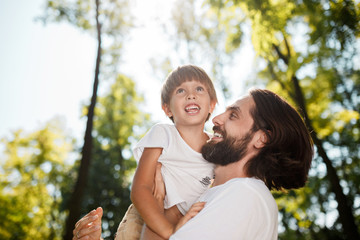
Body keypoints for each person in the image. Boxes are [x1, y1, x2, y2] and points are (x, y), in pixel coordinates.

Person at [73, 88, 314, 240]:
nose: (216, 119)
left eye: (233, 115)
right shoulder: (208, 197)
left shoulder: (245, 195)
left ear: (262, 138)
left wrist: (156, 211)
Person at [118, 65, 218, 240]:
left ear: (211, 105)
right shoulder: (162, 135)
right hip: (151, 218)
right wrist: (169, 233)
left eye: (199, 89)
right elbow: (140, 188)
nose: (191, 95)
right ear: (167, 109)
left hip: (191, 224)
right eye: (180, 91)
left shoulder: (218, 146)